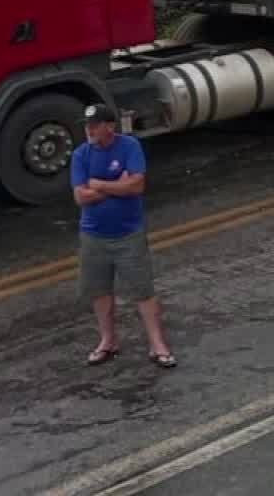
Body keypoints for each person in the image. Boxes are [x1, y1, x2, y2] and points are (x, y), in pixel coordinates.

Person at [72, 102, 175, 368]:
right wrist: (119, 184)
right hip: (93, 235)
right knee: (99, 290)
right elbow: (81, 197)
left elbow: (137, 185)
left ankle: (157, 344)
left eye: (95, 125)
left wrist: (100, 185)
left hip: (129, 234)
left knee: (143, 289)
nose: (90, 130)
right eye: (87, 125)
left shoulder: (129, 146)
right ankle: (108, 340)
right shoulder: (81, 155)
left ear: (110, 126)